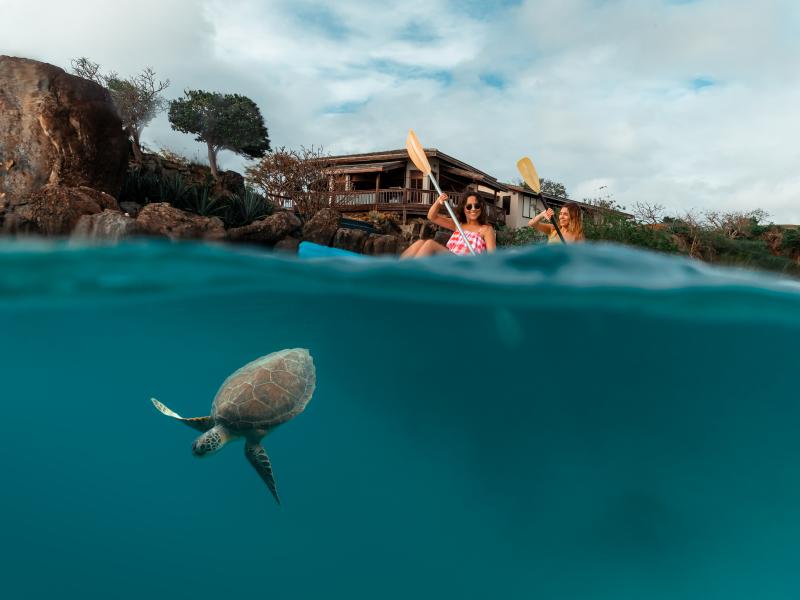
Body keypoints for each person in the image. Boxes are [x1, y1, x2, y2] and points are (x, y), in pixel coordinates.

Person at [401, 192, 497, 258]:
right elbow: (432, 216)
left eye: (477, 206)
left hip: (467, 265)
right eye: (469, 206)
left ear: (481, 208)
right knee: (420, 243)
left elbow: (492, 258)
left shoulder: (486, 229)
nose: (473, 209)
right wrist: (439, 202)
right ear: (463, 209)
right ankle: (397, 273)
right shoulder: (458, 224)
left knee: (430, 244)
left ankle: (412, 276)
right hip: (450, 261)